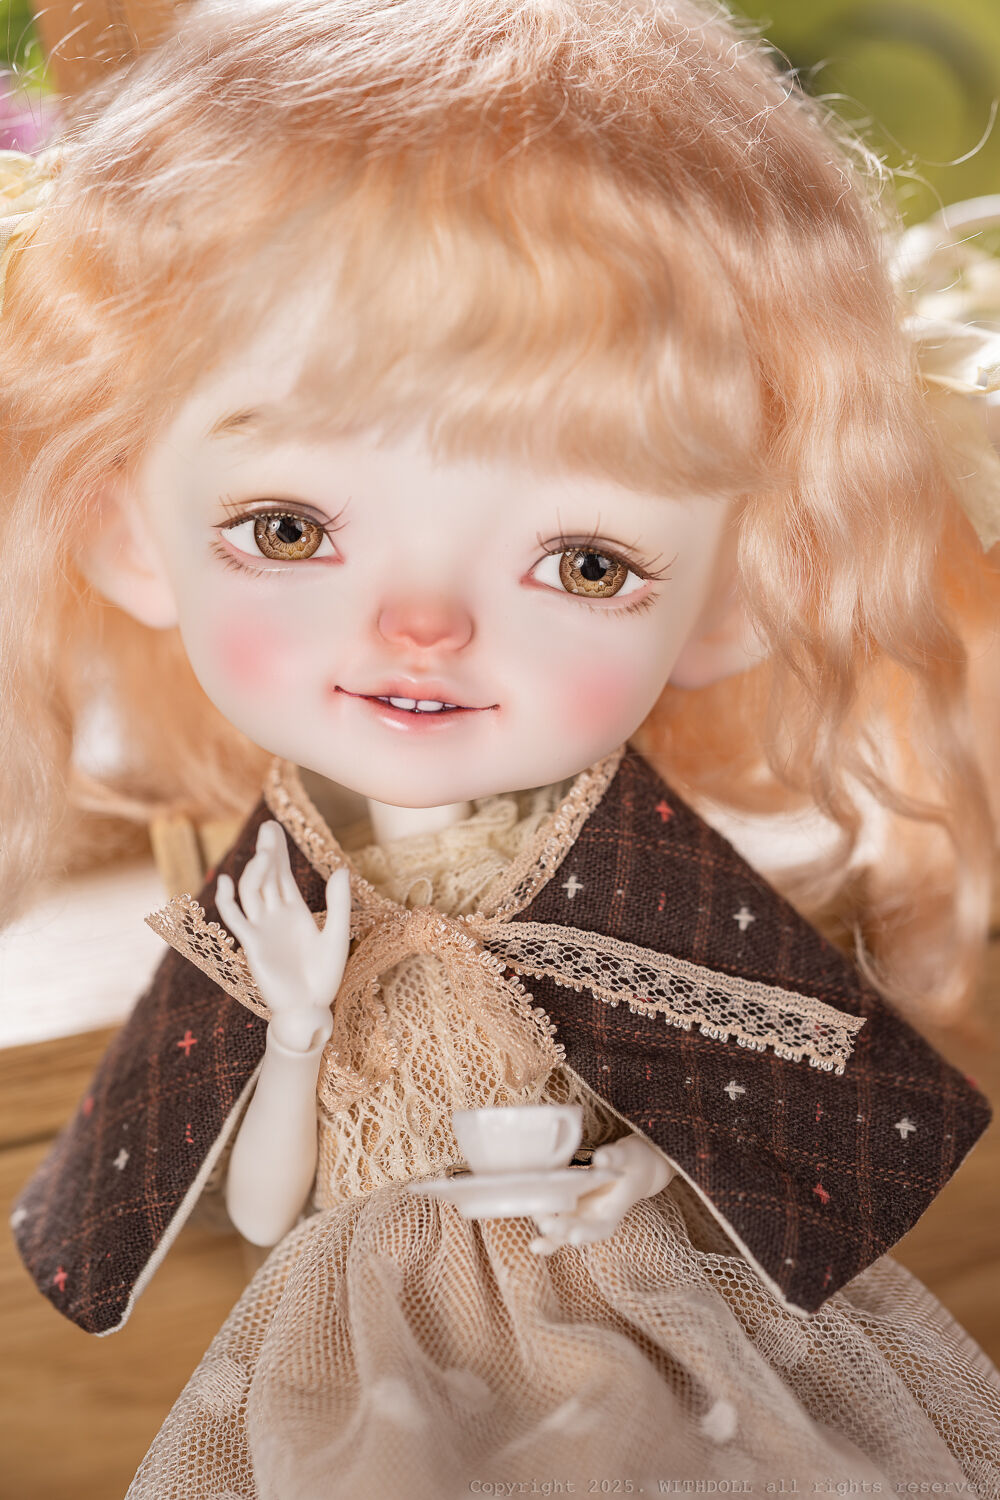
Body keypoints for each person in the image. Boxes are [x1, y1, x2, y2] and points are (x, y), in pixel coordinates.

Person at [3, 1, 999, 1493]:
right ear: (128, 531)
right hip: (362, 1343)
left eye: (586, 563)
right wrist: (294, 1025)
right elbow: (264, 1215)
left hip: (628, 1320)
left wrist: (638, 1177)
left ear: (738, 594)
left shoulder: (640, 882)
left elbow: (788, 1120)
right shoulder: (277, 906)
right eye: (290, 529)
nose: (422, 629)